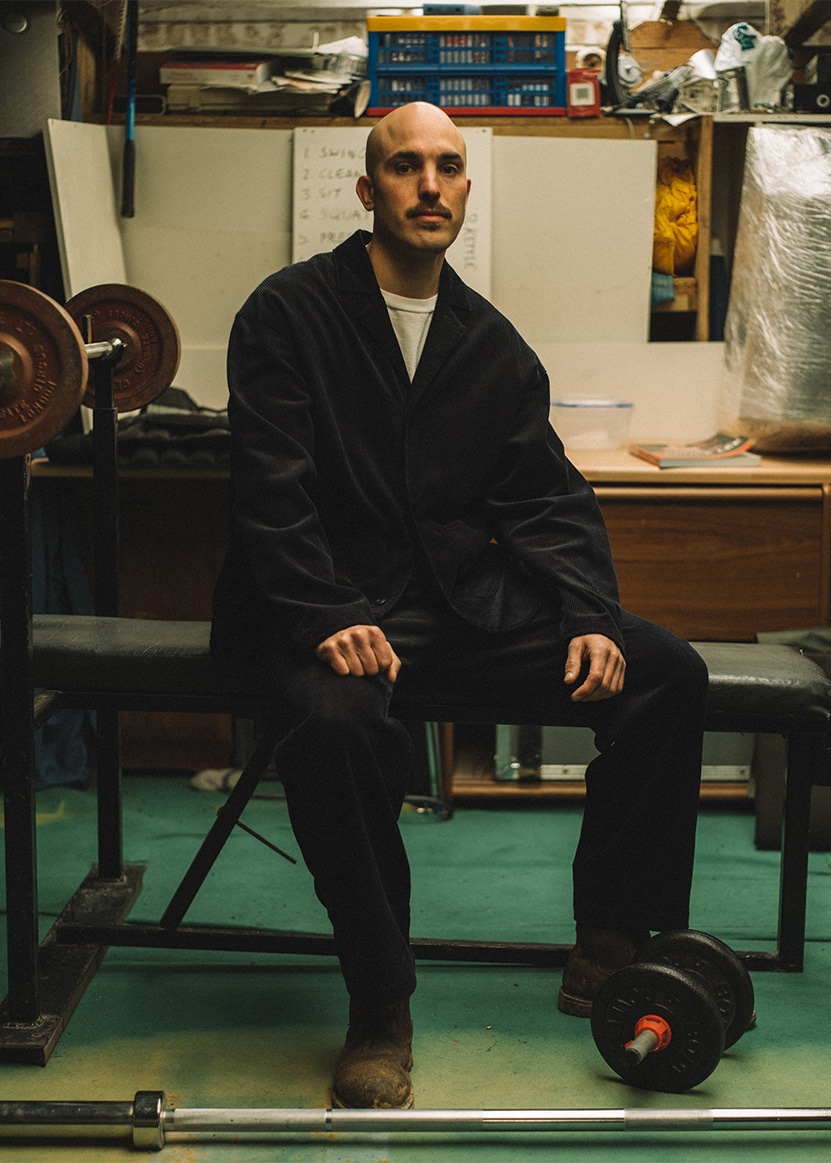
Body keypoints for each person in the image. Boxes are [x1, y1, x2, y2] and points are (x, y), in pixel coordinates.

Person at [211, 101, 709, 1110]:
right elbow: (271, 485)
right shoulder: (288, 312)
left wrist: (589, 612)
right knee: (337, 724)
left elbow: (545, 496)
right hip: (319, 609)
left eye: (447, 166)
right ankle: (379, 1003)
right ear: (369, 190)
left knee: (664, 670)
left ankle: (611, 940)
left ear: (465, 191)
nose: (429, 184)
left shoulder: (489, 343)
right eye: (406, 166)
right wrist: (325, 610)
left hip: (450, 608)